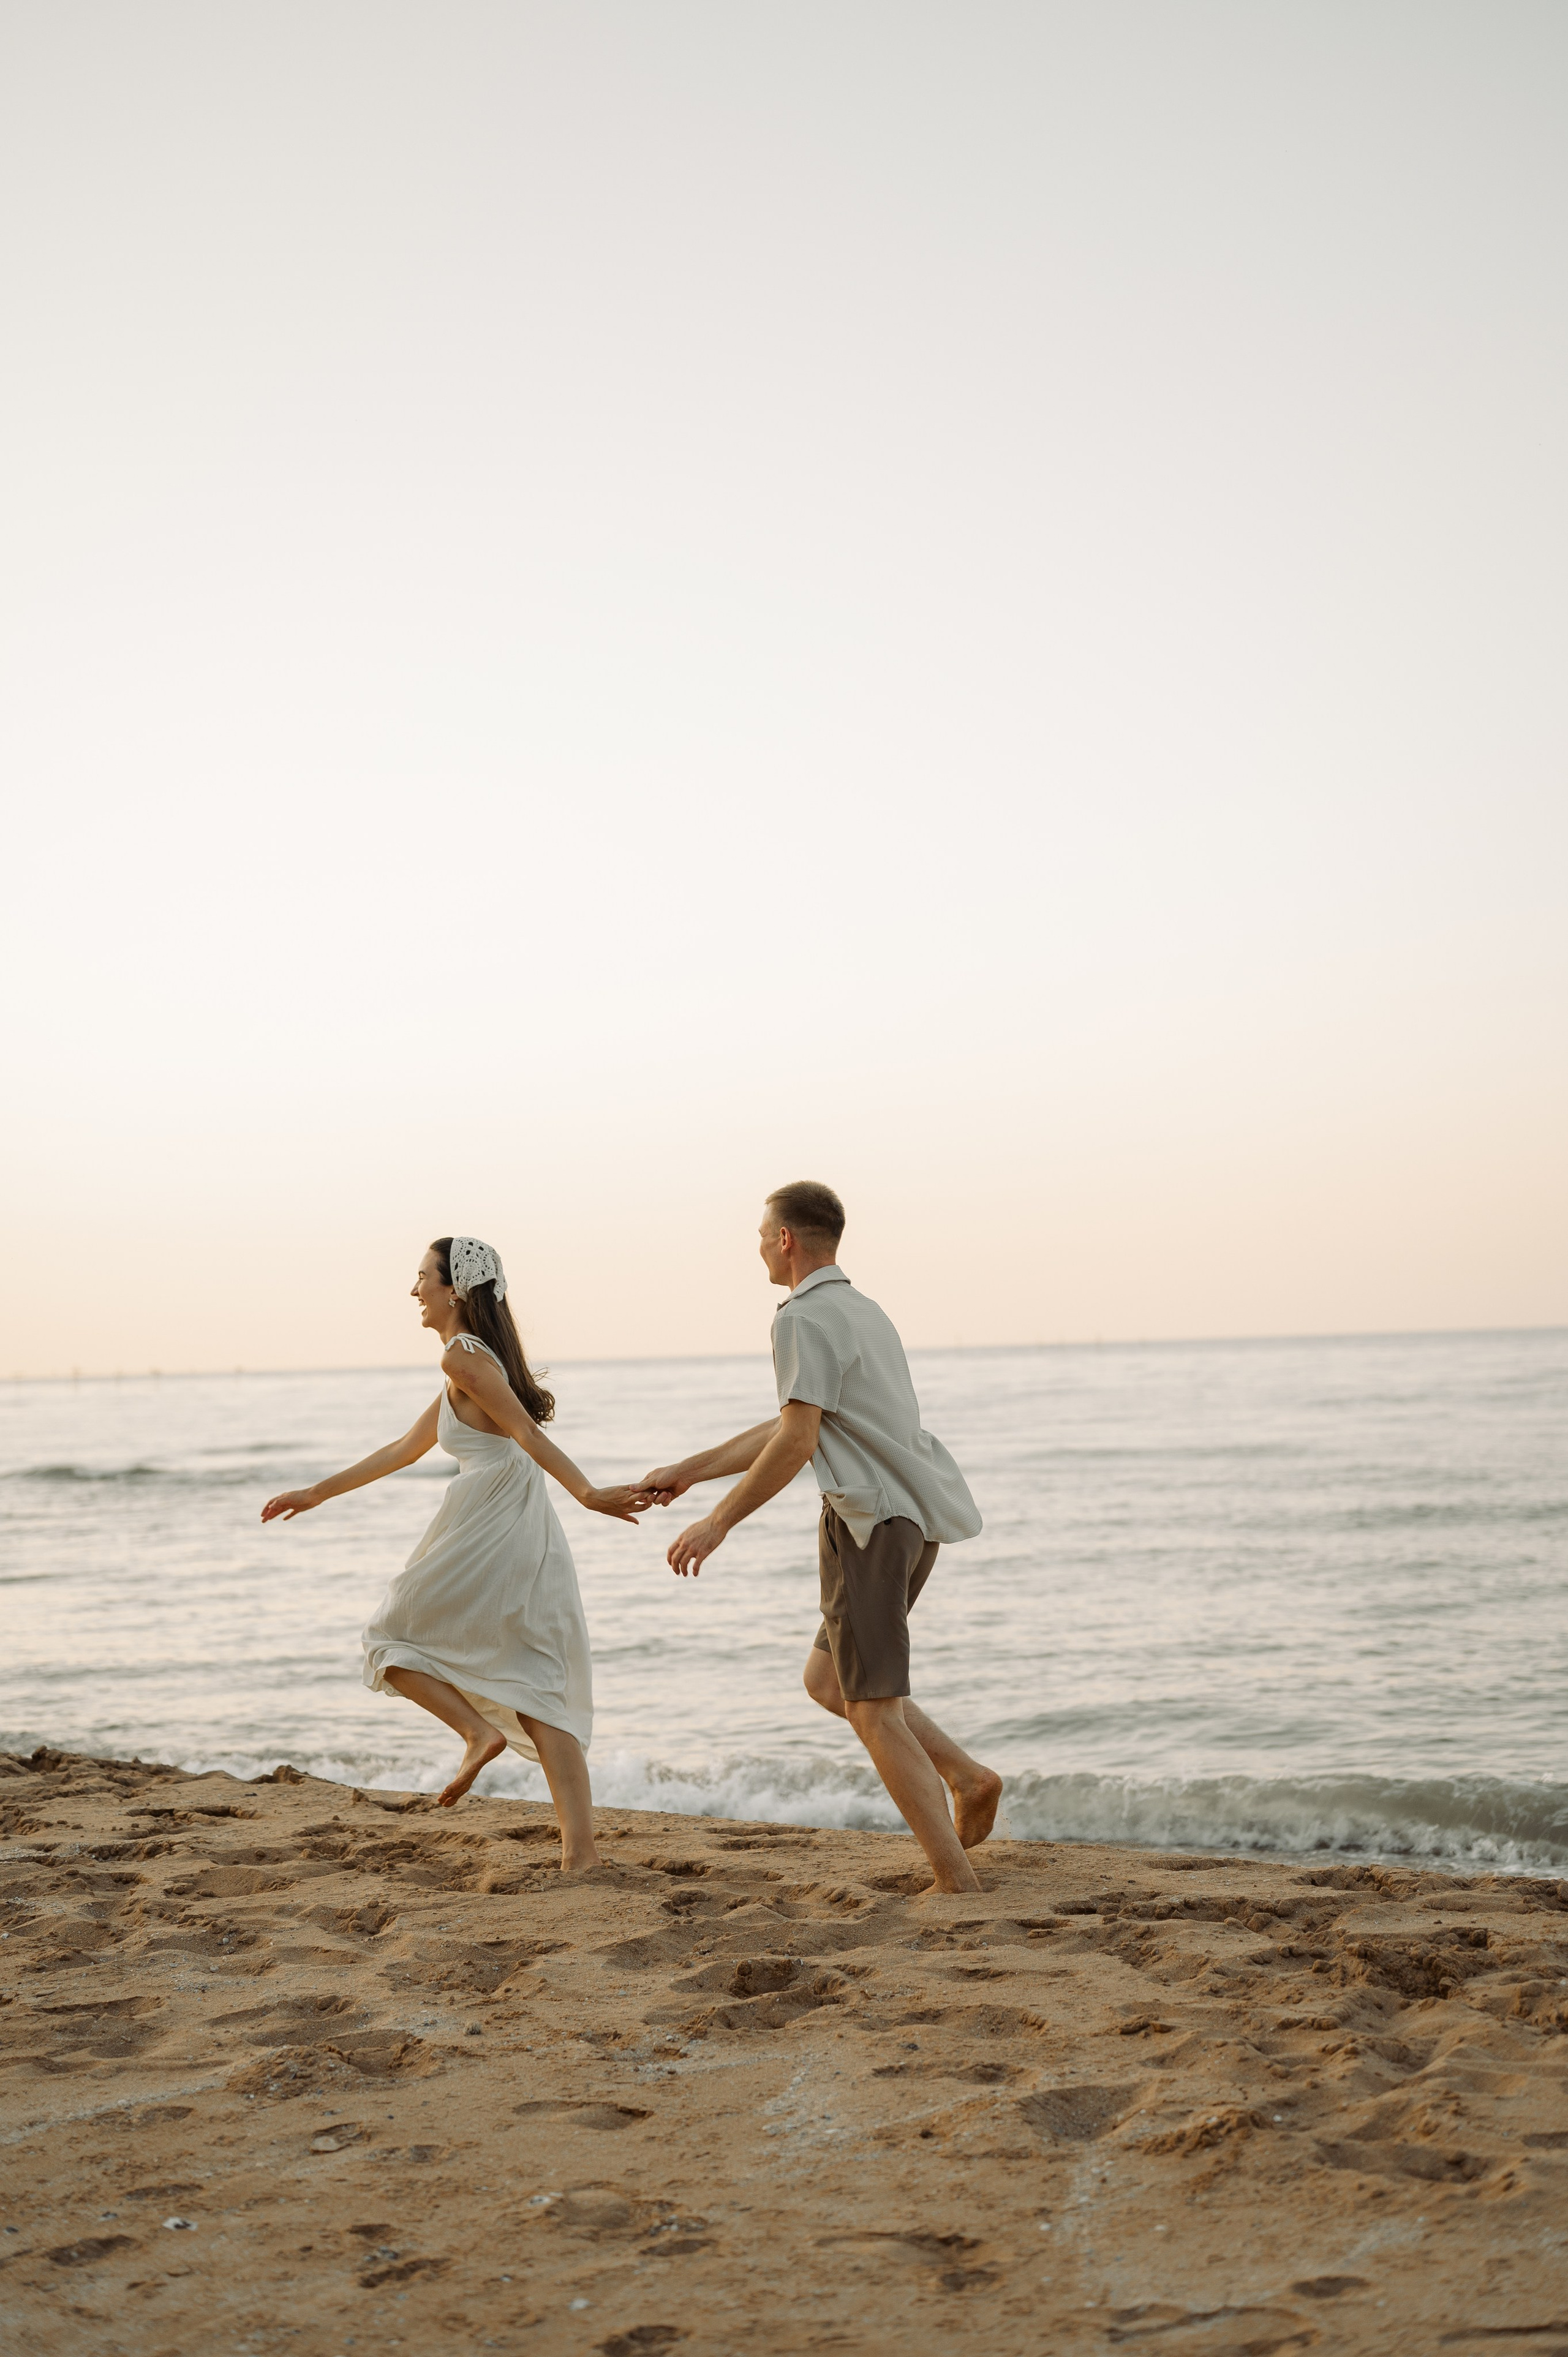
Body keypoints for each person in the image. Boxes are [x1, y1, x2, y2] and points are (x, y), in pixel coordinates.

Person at [642, 1183, 1002, 1895]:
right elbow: (796, 1426)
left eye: (759, 1231)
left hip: (866, 1525)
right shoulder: (863, 1312)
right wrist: (690, 1471)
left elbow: (798, 1440)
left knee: (871, 1708)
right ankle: (967, 1774)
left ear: (785, 1239)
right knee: (830, 1681)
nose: (755, 1244)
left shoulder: (801, 1318)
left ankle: (955, 1882)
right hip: (908, 1519)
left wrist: (719, 1521)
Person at [261, 1235, 645, 1865]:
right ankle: (579, 1854)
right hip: (521, 1523)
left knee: (390, 1638)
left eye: (422, 1277)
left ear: (455, 1289)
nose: (413, 1290)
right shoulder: (469, 1359)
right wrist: (316, 1492)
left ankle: (476, 1731)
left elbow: (523, 1431)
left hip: (491, 1523)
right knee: (539, 1682)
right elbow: (403, 1450)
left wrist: (588, 1492)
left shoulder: (463, 1358)